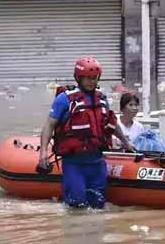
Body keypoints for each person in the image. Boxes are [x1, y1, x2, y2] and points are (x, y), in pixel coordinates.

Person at [38, 57, 135, 209]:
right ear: (78, 78)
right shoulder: (65, 99)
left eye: (94, 78)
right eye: (87, 78)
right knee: (77, 205)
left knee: (98, 205)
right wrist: (43, 152)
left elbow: (112, 123)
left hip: (97, 162)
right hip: (74, 163)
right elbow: (49, 125)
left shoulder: (101, 98)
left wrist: (126, 142)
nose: (91, 82)